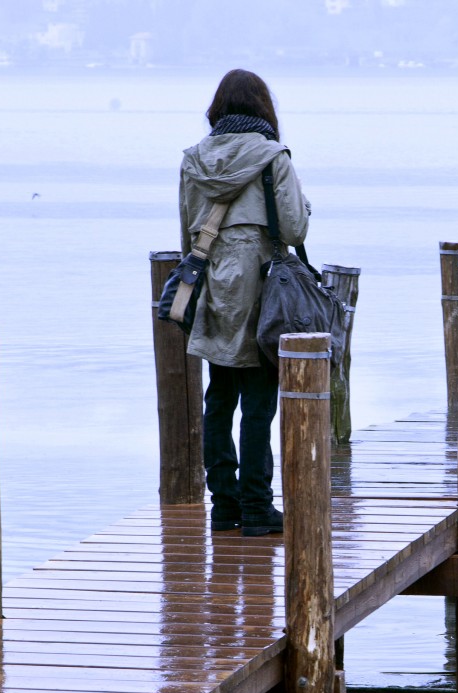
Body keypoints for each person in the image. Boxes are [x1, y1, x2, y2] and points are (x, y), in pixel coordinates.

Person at [178, 69, 310, 535]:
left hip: (214, 284)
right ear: (262, 107)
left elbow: (187, 234)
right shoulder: (273, 156)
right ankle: (257, 508)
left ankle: (224, 507)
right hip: (259, 286)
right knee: (258, 401)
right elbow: (294, 230)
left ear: (218, 107)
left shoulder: (193, 159)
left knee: (219, 395)